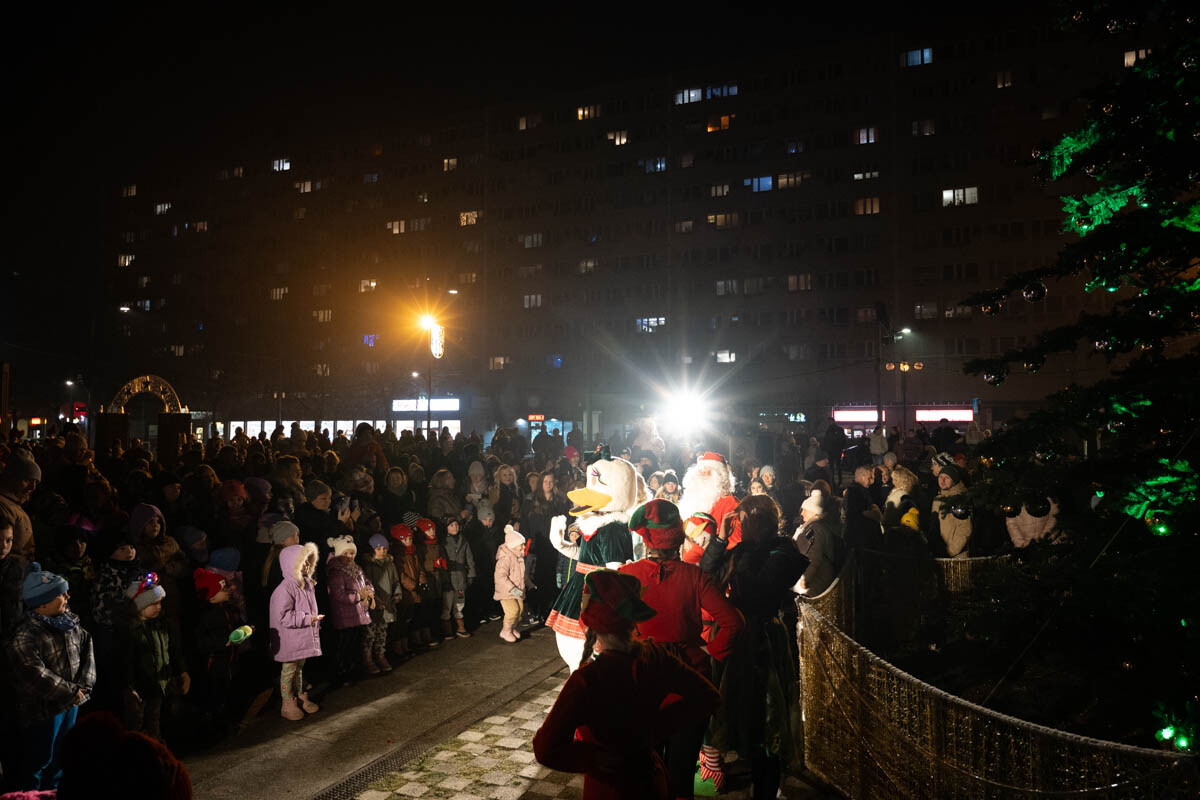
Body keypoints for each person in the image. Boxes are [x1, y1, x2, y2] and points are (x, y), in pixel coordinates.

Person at [533, 570, 720, 800]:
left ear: (591, 626)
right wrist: (657, 728)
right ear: (633, 621)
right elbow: (708, 696)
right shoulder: (656, 657)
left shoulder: (587, 679)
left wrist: (593, 758)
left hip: (607, 788)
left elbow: (544, 748)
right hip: (650, 781)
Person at [618, 500, 743, 800]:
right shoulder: (695, 575)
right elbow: (733, 623)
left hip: (642, 679)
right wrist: (712, 652)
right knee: (682, 770)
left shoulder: (626, 574)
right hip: (689, 679)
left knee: (645, 770)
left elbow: (599, 625)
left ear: (646, 538)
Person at [699, 496, 808, 800]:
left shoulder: (783, 551)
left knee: (767, 718)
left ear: (761, 520)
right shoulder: (744, 549)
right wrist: (721, 538)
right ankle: (749, 776)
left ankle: (764, 787)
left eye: (744, 519)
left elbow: (762, 590)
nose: (740, 525)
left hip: (762, 641)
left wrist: (742, 561)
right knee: (740, 712)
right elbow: (706, 577)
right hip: (739, 638)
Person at [10, 564, 96, 790]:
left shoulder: (70, 623)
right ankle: (31, 794)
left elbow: (88, 649)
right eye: (60, 593)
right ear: (42, 603)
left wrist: (85, 685)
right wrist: (71, 690)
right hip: (44, 711)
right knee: (40, 758)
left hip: (71, 704)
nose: (67, 596)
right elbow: (34, 673)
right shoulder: (27, 634)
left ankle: (54, 792)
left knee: (61, 756)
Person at [546, 458, 637, 671]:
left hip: (595, 596)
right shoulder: (595, 523)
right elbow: (585, 557)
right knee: (577, 660)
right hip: (579, 589)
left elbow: (615, 572)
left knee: (587, 661)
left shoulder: (613, 529)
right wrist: (560, 544)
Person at [117, 572, 189, 740]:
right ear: (139, 606)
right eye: (153, 603)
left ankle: (157, 750)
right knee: (137, 724)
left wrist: (182, 671)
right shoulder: (130, 631)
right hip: (141, 688)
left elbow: (172, 650)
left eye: (160, 602)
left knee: (155, 720)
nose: (158, 607)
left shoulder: (162, 624)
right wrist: (129, 687)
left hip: (159, 684)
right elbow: (126, 661)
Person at [268, 542, 322, 720]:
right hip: (291, 640)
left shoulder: (306, 584)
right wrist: (308, 619)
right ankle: (287, 702)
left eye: (308, 561)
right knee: (289, 671)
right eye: (302, 562)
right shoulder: (285, 588)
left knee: (299, 670)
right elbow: (283, 616)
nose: (306, 565)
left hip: (301, 637)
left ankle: (299, 696)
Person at [325, 535, 372, 683]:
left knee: (355, 643)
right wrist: (359, 595)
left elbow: (367, 582)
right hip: (345, 615)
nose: (349, 556)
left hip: (357, 613)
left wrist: (370, 592)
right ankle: (342, 672)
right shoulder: (336, 571)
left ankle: (353, 669)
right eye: (345, 553)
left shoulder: (356, 568)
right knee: (344, 645)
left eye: (351, 553)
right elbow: (338, 594)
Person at [362, 533, 400, 673]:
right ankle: (367, 658)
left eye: (385, 548)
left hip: (387, 604)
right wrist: (374, 599)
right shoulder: (369, 566)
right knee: (370, 634)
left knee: (382, 633)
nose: (382, 551)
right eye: (379, 549)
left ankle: (380, 655)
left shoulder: (390, 565)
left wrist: (397, 595)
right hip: (374, 606)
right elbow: (367, 584)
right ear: (373, 550)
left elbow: (395, 581)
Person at [793, 491, 839, 597]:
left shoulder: (815, 528)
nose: (802, 513)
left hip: (815, 582)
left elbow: (814, 557)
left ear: (814, 512)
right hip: (816, 579)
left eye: (805, 510)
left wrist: (805, 580)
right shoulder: (816, 526)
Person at [0, 450, 40, 560]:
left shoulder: (13, 503)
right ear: (11, 478)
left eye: (36, 481)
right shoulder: (4, 507)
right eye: (27, 480)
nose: (33, 487)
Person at [441, 516, 475, 638]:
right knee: (447, 604)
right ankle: (447, 628)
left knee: (460, 603)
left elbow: (469, 559)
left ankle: (460, 627)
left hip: (461, 578)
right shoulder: (443, 542)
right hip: (449, 578)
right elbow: (442, 562)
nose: (455, 527)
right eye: (451, 525)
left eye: (456, 525)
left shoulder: (463, 541)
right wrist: (444, 579)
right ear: (446, 528)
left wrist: (471, 574)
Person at [494, 524, 526, 643]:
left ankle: (512, 628)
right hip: (506, 590)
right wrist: (512, 588)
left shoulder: (519, 557)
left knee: (520, 611)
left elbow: (522, 574)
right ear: (513, 545)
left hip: (518, 589)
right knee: (512, 611)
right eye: (521, 544)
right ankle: (505, 630)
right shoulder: (505, 558)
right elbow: (500, 576)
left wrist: (529, 583)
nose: (523, 547)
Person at [932, 465, 972, 558]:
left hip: (955, 557)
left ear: (953, 481)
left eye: (947, 478)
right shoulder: (938, 499)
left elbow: (965, 530)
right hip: (939, 554)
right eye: (941, 477)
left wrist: (950, 552)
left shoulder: (959, 500)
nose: (942, 480)